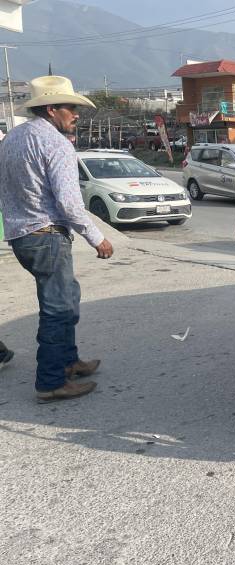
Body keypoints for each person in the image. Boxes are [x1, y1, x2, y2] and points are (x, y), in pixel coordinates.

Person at [0, 75, 114, 402]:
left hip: (22, 234)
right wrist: (97, 238)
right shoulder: (56, 144)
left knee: (65, 299)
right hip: (46, 234)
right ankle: (51, 381)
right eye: (71, 108)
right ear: (52, 109)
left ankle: (69, 362)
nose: (76, 114)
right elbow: (68, 203)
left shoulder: (13, 138)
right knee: (58, 309)